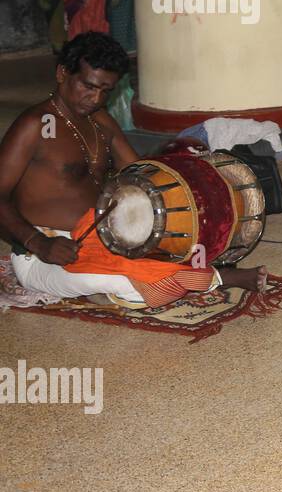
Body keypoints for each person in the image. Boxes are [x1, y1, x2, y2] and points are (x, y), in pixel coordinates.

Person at [0, 33, 266, 307]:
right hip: (48, 252)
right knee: (140, 285)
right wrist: (39, 244)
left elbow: (138, 171)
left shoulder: (100, 120)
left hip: (105, 238)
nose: (95, 98)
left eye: (106, 91)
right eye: (89, 86)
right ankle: (218, 277)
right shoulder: (34, 125)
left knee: (172, 247)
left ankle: (142, 278)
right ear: (62, 73)